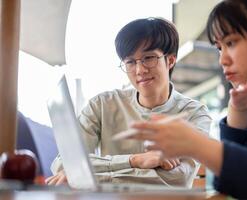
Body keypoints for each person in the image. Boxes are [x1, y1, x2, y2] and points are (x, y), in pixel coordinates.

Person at [130, 0, 247, 199]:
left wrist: (197, 144)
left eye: (231, 43)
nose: (222, 60)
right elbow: (245, 183)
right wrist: (238, 109)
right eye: (219, 48)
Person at [46, 17, 212, 188]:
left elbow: (178, 179)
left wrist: (88, 179)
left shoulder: (195, 114)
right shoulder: (102, 105)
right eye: (130, 62)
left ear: (170, 60)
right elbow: (65, 163)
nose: (140, 70)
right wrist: (135, 160)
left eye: (149, 58)